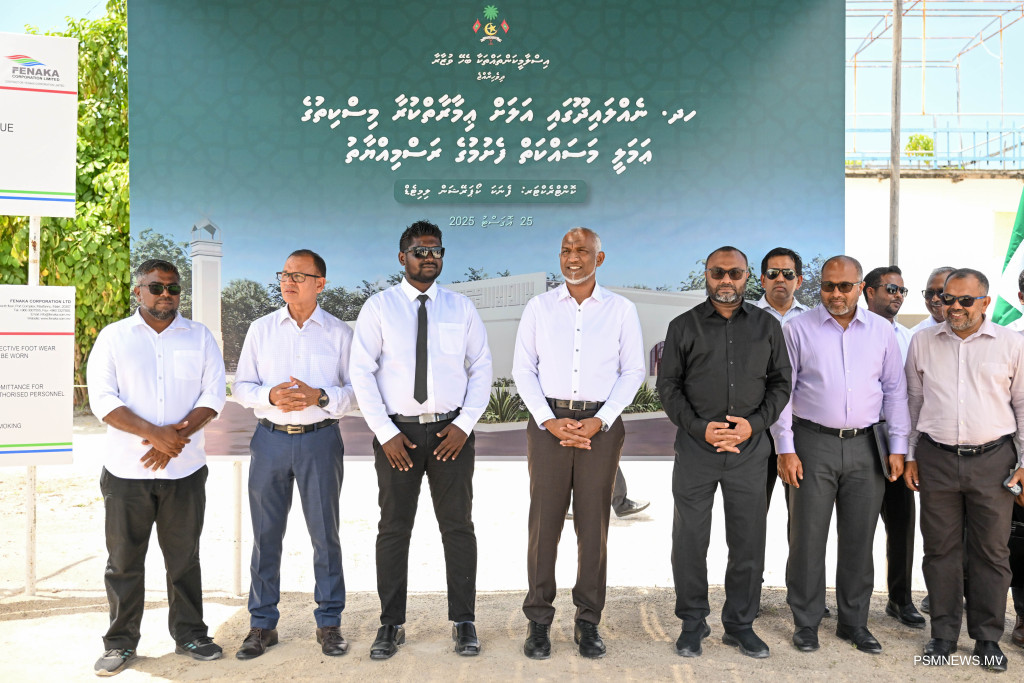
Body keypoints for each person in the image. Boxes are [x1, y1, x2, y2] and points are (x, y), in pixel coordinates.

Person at [349, 221, 492, 659]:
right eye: (419, 251)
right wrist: (385, 432)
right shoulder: (379, 308)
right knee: (394, 528)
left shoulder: (460, 308)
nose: (428, 257)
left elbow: (481, 366)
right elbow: (361, 372)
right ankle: (390, 623)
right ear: (402, 257)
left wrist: (465, 424)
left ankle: (464, 621)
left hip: (452, 433)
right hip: (399, 436)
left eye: (435, 250)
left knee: (458, 527)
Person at [87, 259, 226, 676]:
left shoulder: (199, 336)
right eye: (156, 287)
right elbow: (103, 400)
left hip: (184, 471)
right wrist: (154, 434)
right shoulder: (114, 337)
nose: (166, 294)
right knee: (123, 562)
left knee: (184, 559)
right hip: (126, 473)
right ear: (138, 291)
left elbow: (213, 395)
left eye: (173, 288)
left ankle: (191, 635)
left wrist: (174, 440)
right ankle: (120, 643)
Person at [513, 227, 645, 659]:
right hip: (548, 425)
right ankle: (538, 620)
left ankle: (588, 620)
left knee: (593, 525)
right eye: (566, 250)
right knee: (543, 524)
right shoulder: (539, 307)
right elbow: (523, 370)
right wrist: (548, 420)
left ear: (598, 259)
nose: (573, 257)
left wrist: (600, 420)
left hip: (599, 427)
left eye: (582, 250)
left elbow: (633, 371)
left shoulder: (621, 310)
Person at [657, 246, 791, 659]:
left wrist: (754, 424)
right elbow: (668, 387)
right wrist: (700, 427)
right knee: (690, 540)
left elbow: (781, 384)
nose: (726, 280)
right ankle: (692, 623)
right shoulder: (683, 326)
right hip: (696, 451)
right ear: (706, 275)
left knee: (748, 540)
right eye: (718, 273)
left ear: (747, 276)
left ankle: (740, 625)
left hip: (749, 452)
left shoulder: (768, 326)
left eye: (734, 273)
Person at [772, 255, 909, 655]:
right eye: (828, 286)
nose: (835, 294)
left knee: (859, 539)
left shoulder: (881, 331)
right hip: (812, 444)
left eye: (844, 286)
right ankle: (806, 621)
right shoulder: (798, 329)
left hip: (867, 447)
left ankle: (854, 623)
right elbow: (782, 393)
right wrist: (785, 448)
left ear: (860, 287)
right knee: (807, 538)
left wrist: (899, 447)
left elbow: (895, 391)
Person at [232, 249, 356, 659]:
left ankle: (329, 623)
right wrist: (269, 396)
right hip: (270, 440)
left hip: (320, 440)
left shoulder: (340, 333)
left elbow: (356, 391)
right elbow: (241, 387)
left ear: (321, 283)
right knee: (266, 535)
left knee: (325, 535)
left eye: (299, 276)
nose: (288, 281)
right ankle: (262, 625)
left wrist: (320, 396)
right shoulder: (261, 329)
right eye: (284, 274)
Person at [904, 268, 1024, 673]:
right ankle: (942, 635)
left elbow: (1023, 406)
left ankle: (987, 639)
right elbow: (913, 402)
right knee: (940, 550)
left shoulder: (1012, 344)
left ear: (984, 302)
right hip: (936, 459)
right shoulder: (922, 341)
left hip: (994, 461)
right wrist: (910, 455)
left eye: (964, 300)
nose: (953, 306)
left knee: (992, 552)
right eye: (946, 298)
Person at [862, 265, 925, 630]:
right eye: (891, 288)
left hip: (897, 439)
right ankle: (847, 601)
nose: (898, 295)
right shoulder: (854, 331)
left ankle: (900, 599)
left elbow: (911, 395)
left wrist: (907, 447)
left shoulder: (908, 337)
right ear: (869, 291)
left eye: (902, 290)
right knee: (852, 525)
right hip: (858, 437)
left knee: (901, 522)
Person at [754, 247, 808, 512]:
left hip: (801, 428)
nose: (780, 279)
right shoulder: (745, 318)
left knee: (801, 514)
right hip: (756, 427)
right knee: (752, 511)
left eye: (788, 273)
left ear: (799, 280)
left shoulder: (812, 321)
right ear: (762, 279)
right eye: (773, 273)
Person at [911, 266, 956, 334]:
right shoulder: (914, 335)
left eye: (941, 292)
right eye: (929, 293)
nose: (934, 299)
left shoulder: (972, 333)